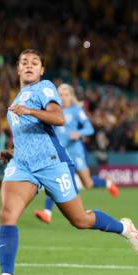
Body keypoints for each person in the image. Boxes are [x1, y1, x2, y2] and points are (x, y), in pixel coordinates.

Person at [0, 49, 138, 275]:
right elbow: (26, 137)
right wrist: (11, 152)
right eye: (24, 62)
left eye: (34, 63)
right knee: (7, 214)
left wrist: (30, 111)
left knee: (80, 220)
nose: (29, 65)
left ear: (41, 70)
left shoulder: (44, 88)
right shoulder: (16, 100)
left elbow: (58, 118)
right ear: (17, 69)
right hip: (24, 166)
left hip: (52, 163)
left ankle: (124, 228)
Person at [33, 83, 119, 224]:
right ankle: (47, 212)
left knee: (88, 183)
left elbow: (89, 129)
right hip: (61, 154)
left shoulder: (76, 111)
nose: (64, 97)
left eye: (66, 95)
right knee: (58, 180)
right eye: (61, 95)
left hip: (76, 152)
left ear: (71, 96)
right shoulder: (53, 112)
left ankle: (107, 183)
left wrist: (79, 133)